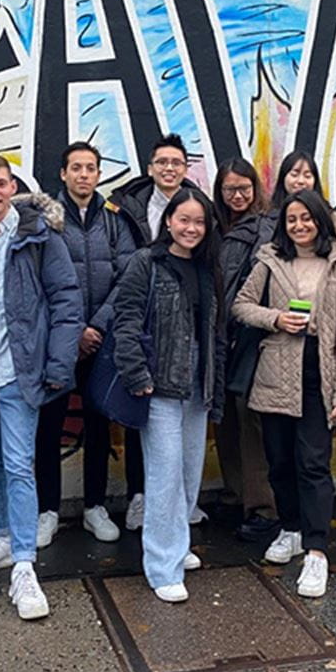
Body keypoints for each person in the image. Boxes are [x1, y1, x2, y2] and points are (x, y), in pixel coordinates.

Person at [0, 155, 82, 621]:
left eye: (0, 184)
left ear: (12, 187)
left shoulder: (38, 236)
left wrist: (59, 361)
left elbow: (67, 300)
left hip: (22, 368)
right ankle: (1, 536)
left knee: (19, 462)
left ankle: (24, 564)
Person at [233, 190, 336, 597]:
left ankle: (316, 551)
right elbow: (242, 305)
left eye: (307, 218)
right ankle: (289, 528)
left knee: (313, 465)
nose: (299, 226)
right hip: (274, 375)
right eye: (292, 219)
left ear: (320, 220)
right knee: (280, 463)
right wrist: (275, 318)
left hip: (318, 379)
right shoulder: (270, 260)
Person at [113, 188, 225, 603]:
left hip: (198, 385)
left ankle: (176, 542)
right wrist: (136, 373)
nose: (191, 228)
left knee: (188, 473)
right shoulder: (148, 263)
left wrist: (215, 384)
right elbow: (125, 320)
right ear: (169, 221)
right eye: (184, 220)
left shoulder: (208, 266)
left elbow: (215, 332)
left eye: (199, 222)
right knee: (163, 476)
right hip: (159, 384)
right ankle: (162, 567)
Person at [37, 141, 137, 546]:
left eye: (90, 168)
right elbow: (37, 280)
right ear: (63, 174)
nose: (83, 175)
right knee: (49, 425)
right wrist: (72, 330)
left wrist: (96, 326)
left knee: (98, 424)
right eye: (75, 167)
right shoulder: (45, 221)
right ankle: (47, 510)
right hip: (59, 341)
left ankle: (95, 506)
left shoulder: (114, 220)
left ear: (99, 174)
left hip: (101, 341)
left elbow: (128, 276)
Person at [108, 133, 198, 529]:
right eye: (162, 161)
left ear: (185, 168)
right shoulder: (127, 206)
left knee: (182, 445)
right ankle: (141, 497)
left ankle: (175, 515)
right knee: (139, 416)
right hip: (141, 323)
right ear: (150, 167)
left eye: (176, 162)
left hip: (182, 337)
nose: (169, 168)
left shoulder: (197, 206)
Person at [213, 157, 278, 542]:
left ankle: (263, 508)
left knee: (250, 420)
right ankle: (236, 493)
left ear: (255, 189)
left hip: (253, 336)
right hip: (220, 337)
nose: (237, 196)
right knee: (225, 418)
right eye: (229, 189)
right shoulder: (214, 227)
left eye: (244, 188)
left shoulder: (267, 229)